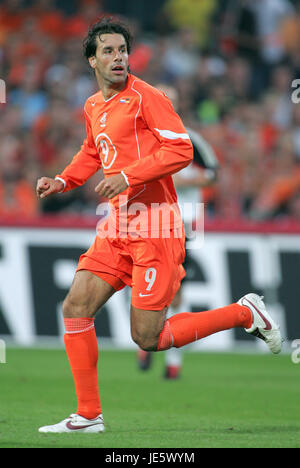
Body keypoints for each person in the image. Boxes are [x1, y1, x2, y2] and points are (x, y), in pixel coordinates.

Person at [36, 17, 282, 434]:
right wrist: (63, 180)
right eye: (109, 51)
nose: (118, 58)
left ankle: (244, 312)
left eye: (122, 50)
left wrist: (129, 176)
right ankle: (89, 416)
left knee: (148, 338)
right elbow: (92, 151)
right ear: (91, 60)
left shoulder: (146, 97)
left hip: (157, 226)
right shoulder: (93, 106)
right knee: (75, 306)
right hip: (118, 224)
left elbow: (182, 149)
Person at [137, 83, 219, 379]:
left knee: (174, 291)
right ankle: (150, 342)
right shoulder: (143, 138)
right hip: (147, 219)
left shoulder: (191, 139)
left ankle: (170, 360)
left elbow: (213, 174)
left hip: (182, 222)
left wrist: (176, 183)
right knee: (148, 282)